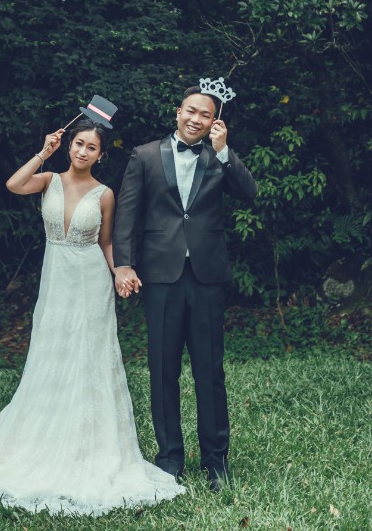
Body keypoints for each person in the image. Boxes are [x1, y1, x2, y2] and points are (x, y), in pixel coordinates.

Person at [0, 118, 185, 516]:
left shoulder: (104, 194)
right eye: (78, 144)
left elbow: (106, 243)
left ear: (101, 154)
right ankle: (42, 441)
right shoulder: (47, 180)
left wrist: (120, 272)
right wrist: (42, 153)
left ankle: (91, 446)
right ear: (70, 146)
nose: (83, 152)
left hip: (90, 282)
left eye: (91, 148)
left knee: (89, 358)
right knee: (52, 354)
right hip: (56, 281)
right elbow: (14, 185)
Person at [113, 86, 258, 492]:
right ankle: (169, 459)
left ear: (215, 120)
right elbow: (126, 212)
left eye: (206, 114)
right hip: (160, 276)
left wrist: (226, 151)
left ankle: (216, 462)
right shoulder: (143, 156)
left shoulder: (218, 157)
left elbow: (250, 193)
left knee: (209, 371)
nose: (197, 119)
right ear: (178, 112)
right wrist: (122, 263)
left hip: (207, 277)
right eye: (191, 111)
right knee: (162, 370)